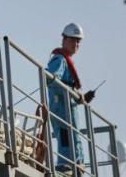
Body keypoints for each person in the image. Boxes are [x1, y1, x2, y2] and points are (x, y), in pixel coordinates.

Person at [47, 23, 96, 174]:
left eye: (79, 41)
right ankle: (66, 164)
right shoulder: (60, 60)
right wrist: (73, 92)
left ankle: (77, 162)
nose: (77, 44)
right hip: (61, 109)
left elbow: (65, 87)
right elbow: (50, 78)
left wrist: (81, 98)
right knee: (66, 137)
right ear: (65, 39)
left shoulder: (66, 61)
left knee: (72, 135)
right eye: (74, 40)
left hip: (68, 109)